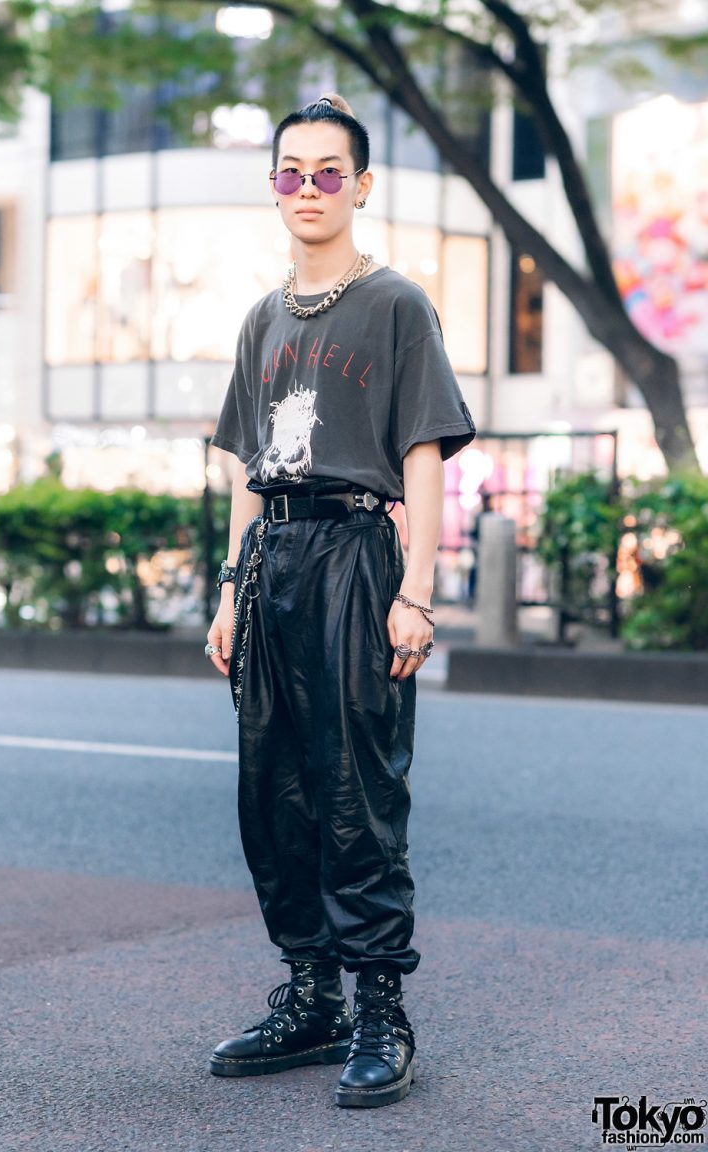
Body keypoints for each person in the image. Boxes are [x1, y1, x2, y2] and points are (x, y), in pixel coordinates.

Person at [205, 93, 475, 1108]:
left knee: (359, 791)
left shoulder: (396, 303)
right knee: (272, 789)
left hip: (359, 555)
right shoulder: (262, 317)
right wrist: (231, 588)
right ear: (272, 185)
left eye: (329, 172)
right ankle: (310, 995)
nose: (309, 188)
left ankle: (379, 1010)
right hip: (272, 556)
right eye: (290, 171)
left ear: (362, 186)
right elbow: (247, 467)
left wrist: (417, 591)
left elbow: (424, 452)